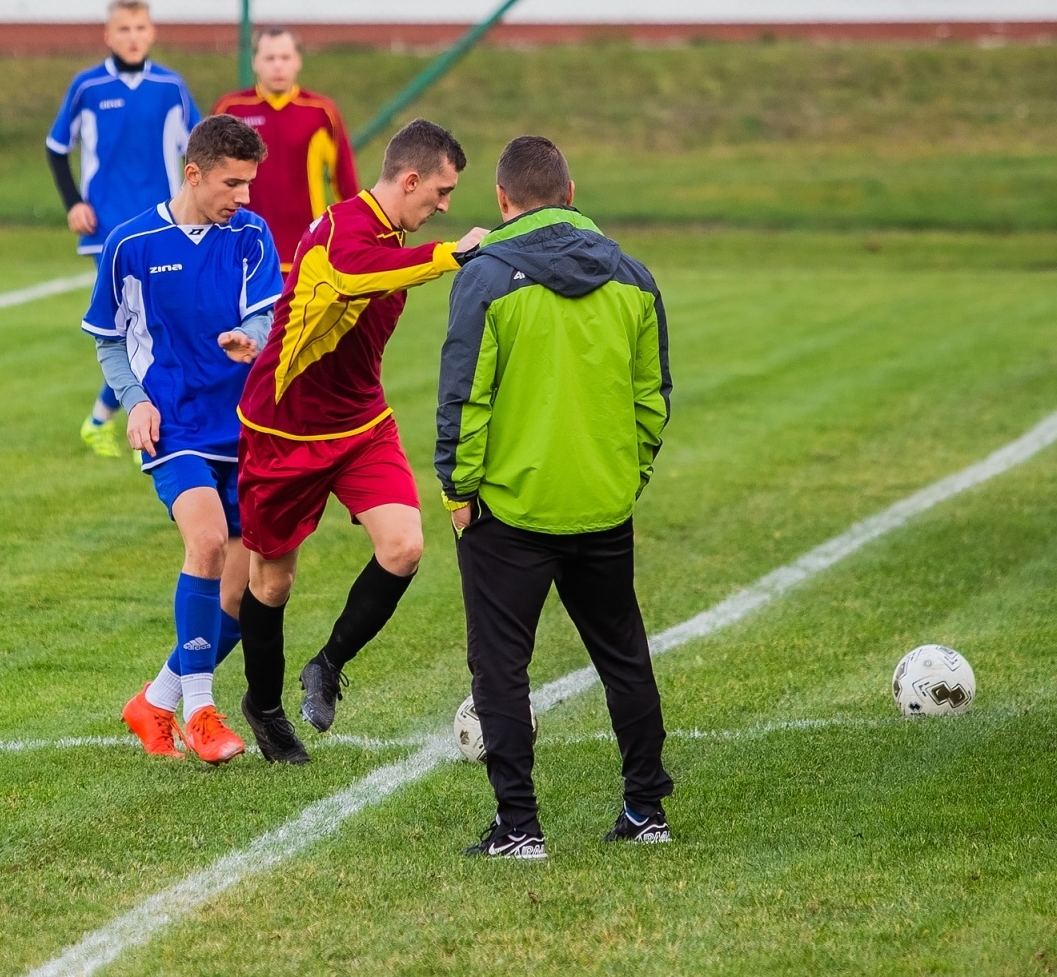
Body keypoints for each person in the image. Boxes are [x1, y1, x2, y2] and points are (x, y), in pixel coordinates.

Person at [435, 135, 674, 859]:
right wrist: (626, 477)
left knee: (501, 667)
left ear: (502, 203)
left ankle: (519, 826)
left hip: (510, 510)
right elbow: (652, 400)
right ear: (571, 194)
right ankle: (645, 809)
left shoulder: (485, 276)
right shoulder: (634, 276)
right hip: (603, 504)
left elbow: (463, 395)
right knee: (624, 655)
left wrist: (458, 486)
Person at [233, 119, 490, 764]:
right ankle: (263, 709)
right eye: (441, 190)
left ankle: (327, 665)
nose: (445, 206)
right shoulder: (345, 231)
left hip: (361, 423)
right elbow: (355, 277)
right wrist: (450, 254)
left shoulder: (393, 234)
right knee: (272, 581)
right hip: (283, 427)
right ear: (410, 180)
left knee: (404, 548)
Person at [84, 115, 283, 764]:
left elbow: (263, 307)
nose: (245, 197)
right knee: (203, 540)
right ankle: (201, 712)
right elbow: (108, 338)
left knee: (239, 591)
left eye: (250, 183)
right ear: (193, 173)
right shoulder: (130, 243)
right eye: (233, 183)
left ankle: (156, 699)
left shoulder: (251, 234)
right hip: (174, 425)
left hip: (244, 428)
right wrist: (134, 402)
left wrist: (249, 335)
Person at [47, 0, 202, 458]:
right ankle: (131, 425)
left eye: (140, 28)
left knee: (158, 324)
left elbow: (200, 152)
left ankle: (107, 420)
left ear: (152, 33)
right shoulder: (87, 87)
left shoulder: (171, 87)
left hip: (163, 226)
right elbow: (56, 148)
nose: (133, 37)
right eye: (124, 29)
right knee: (133, 325)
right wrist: (73, 203)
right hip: (108, 229)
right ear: (108, 36)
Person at [214, 27, 359, 272]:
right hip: (241, 251)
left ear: (298, 61)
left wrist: (354, 237)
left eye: (285, 57)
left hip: (307, 253)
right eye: (270, 58)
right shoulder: (231, 109)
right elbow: (211, 179)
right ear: (255, 62)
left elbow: (344, 182)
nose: (278, 66)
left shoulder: (321, 112)